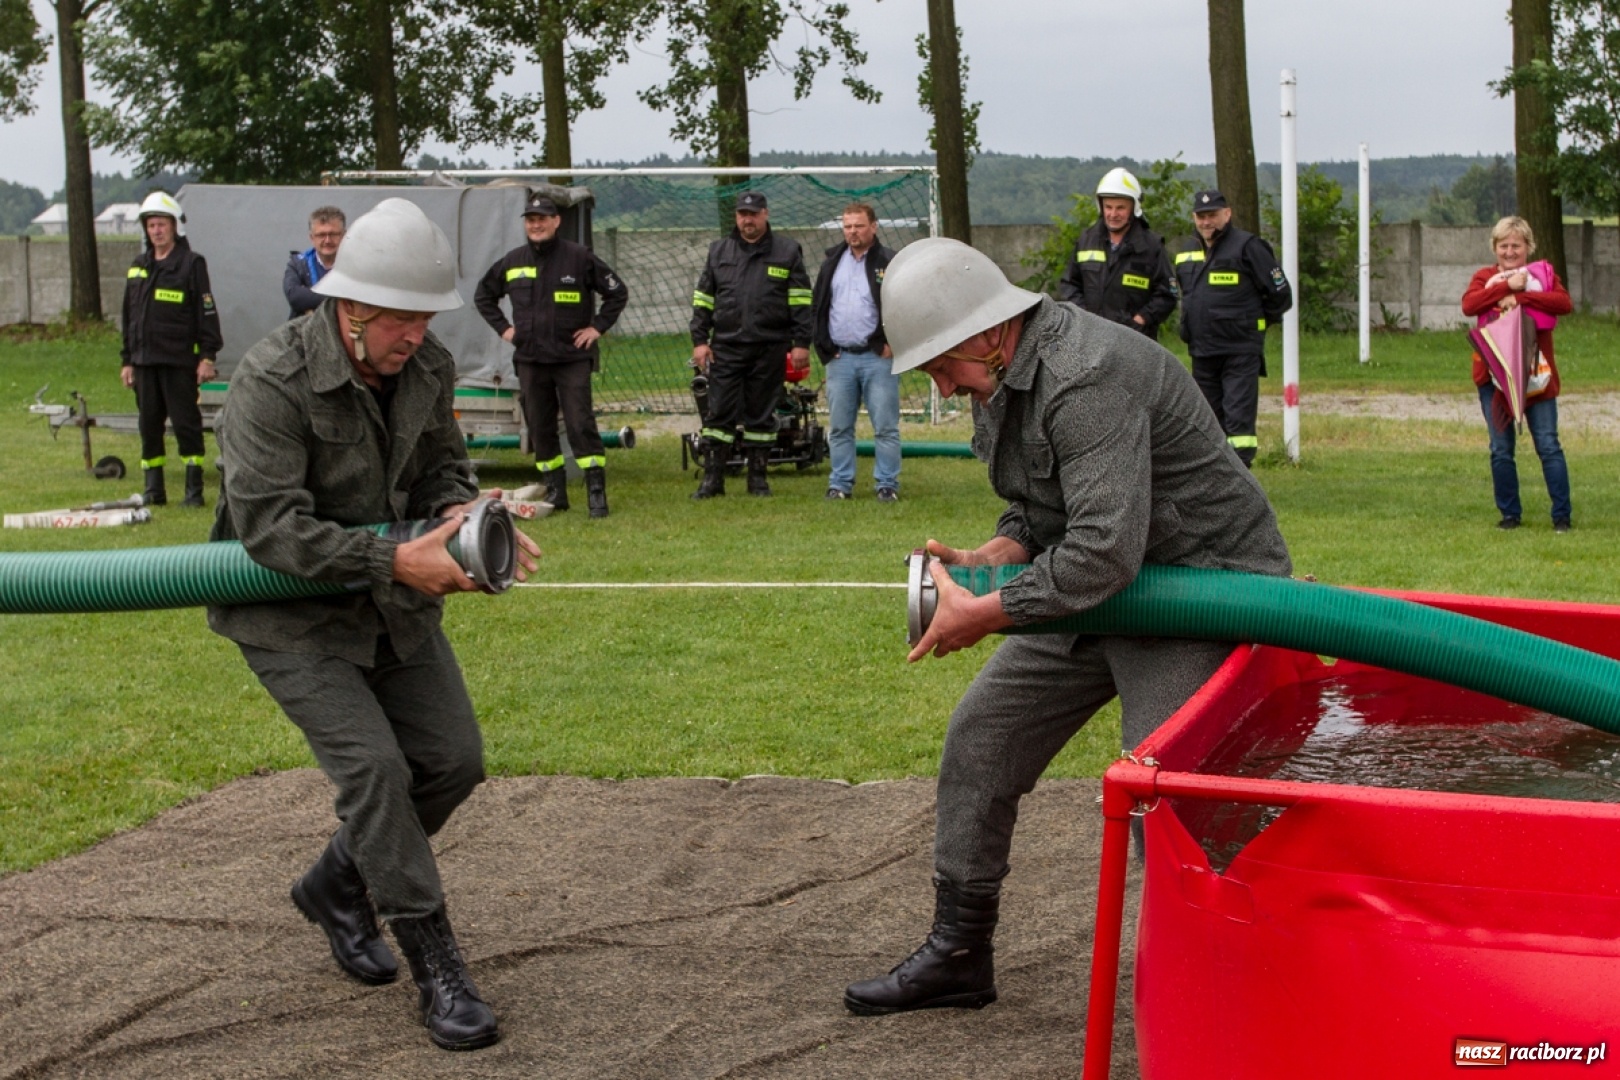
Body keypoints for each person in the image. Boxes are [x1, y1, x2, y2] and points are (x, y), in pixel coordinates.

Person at [841, 237, 1291, 1017]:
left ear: (987, 333)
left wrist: (984, 612)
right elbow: (1041, 509)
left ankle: (1219, 986)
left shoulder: (1089, 373)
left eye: (942, 366)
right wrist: (997, 552)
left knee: (1163, 796)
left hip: (1200, 590)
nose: (942, 388)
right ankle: (958, 956)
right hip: (1111, 585)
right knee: (981, 738)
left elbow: (1100, 551)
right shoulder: (1001, 380)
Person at [206, 198, 541, 1052]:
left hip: (394, 600)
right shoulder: (271, 378)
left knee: (453, 761)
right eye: (406, 319)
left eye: (429, 317)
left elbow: (439, 467)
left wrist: (466, 517)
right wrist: (395, 561)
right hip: (291, 617)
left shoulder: (422, 366)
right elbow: (269, 528)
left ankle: (335, 883)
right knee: (378, 773)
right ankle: (438, 968)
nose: (421, 335)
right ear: (352, 311)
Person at [474, 193, 629, 517]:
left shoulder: (579, 258)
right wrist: (505, 330)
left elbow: (617, 292)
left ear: (556, 221)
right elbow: (483, 295)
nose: (536, 224)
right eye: (531, 219)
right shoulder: (513, 261)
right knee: (540, 428)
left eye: (543, 218)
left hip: (571, 358)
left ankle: (596, 491)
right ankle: (555, 490)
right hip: (531, 359)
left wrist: (597, 328)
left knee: (579, 424)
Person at [689, 190, 814, 498]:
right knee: (718, 414)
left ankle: (757, 479)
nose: (747, 220)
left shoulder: (787, 251)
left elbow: (801, 302)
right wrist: (699, 341)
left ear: (765, 215)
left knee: (761, 415)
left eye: (753, 214)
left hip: (770, 347)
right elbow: (703, 299)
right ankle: (712, 480)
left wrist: (801, 343)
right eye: (742, 214)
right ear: (737, 217)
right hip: (727, 348)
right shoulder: (719, 251)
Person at [1461, 215, 1574, 532]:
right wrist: (1504, 288)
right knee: (1500, 449)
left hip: (1537, 379)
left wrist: (1522, 295)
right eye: (1503, 245)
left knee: (1548, 445)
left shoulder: (1543, 275)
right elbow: (1469, 305)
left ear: (1528, 247)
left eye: (1517, 245)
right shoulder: (1484, 277)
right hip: (1492, 379)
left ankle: (1562, 516)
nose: (1510, 252)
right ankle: (1510, 515)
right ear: (1494, 247)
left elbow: (1563, 303)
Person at [1173, 189, 1292, 467]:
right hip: (1202, 350)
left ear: (1227, 214)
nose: (1206, 222)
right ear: (1194, 217)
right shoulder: (1187, 251)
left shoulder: (1248, 246)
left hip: (1239, 351)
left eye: (1212, 215)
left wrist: (1252, 324)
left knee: (1238, 422)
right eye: (1201, 216)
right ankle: (1214, 478)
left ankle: (1241, 478)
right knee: (1208, 421)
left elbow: (1280, 295)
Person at [120, 191, 222, 509]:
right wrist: (127, 360)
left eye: (161, 224)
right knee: (148, 425)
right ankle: (154, 489)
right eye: (151, 225)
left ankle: (193, 491)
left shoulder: (191, 264)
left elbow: (205, 312)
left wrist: (207, 356)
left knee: (185, 424)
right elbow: (128, 317)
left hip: (178, 361)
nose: (156, 231)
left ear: (175, 227)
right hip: (144, 362)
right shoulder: (138, 267)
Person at [811, 202, 899, 502]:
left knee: (885, 427)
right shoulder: (831, 263)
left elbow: (902, 307)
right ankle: (840, 485)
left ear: (873, 227)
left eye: (858, 225)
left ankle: (887, 485)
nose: (852, 232)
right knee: (839, 428)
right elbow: (819, 307)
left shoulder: (889, 262)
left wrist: (893, 343)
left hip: (878, 358)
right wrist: (824, 347)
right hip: (840, 359)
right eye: (847, 226)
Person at [1056, 166, 1177, 340]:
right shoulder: (1086, 240)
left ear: (1134, 208)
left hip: (1135, 342)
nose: (1113, 214)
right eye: (1108, 207)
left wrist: (1141, 319)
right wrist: (1083, 315)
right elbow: (1069, 284)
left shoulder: (1151, 246)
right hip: (1091, 339)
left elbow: (1167, 294)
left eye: (1120, 208)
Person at [284, 206, 347, 319]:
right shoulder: (297, 264)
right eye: (321, 235)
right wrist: (341, 298)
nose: (327, 240)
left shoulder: (355, 265)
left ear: (344, 235)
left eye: (333, 234)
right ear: (312, 237)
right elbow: (295, 298)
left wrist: (310, 297)